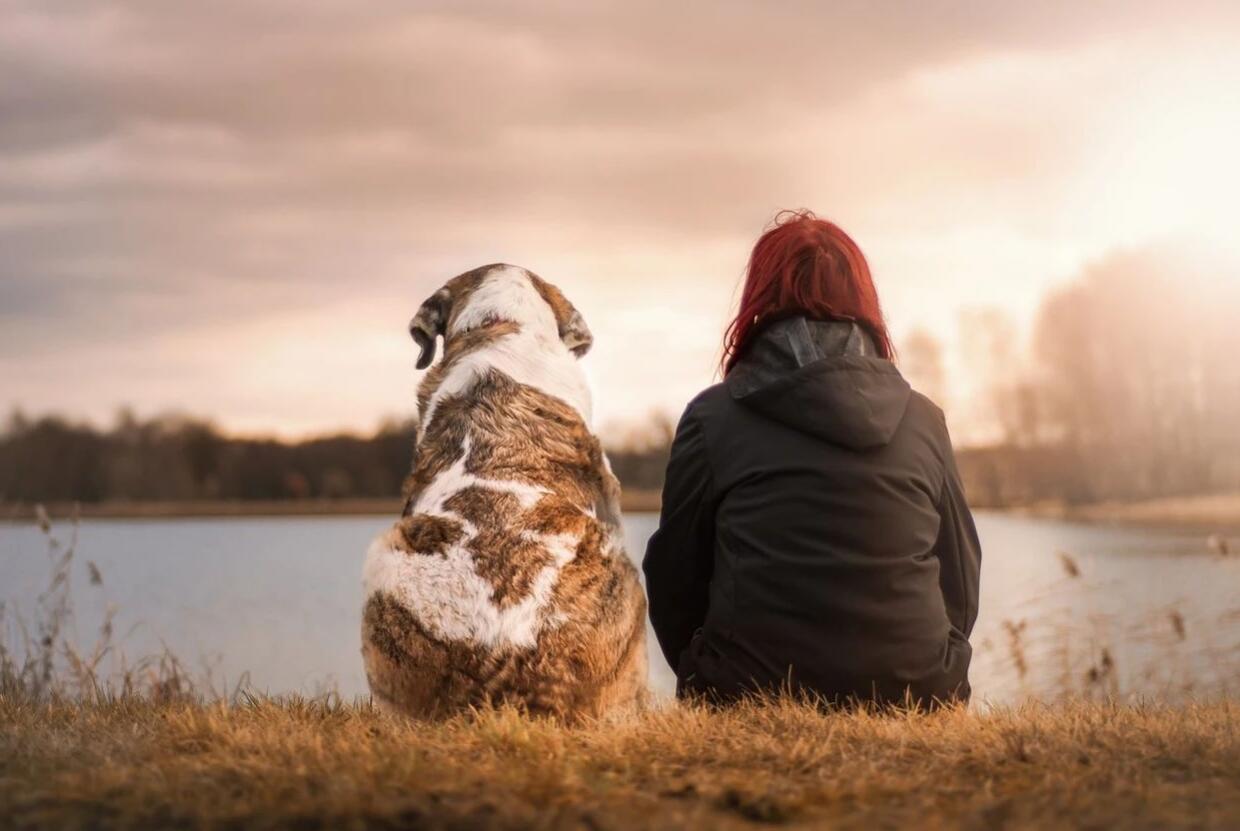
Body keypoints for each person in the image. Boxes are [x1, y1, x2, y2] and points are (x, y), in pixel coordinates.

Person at [642, 210, 981, 708]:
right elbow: (961, 577)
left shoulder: (712, 419)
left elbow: (674, 578)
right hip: (918, 692)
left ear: (759, 299)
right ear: (864, 300)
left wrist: (705, 670)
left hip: (746, 692)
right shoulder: (924, 420)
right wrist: (932, 664)